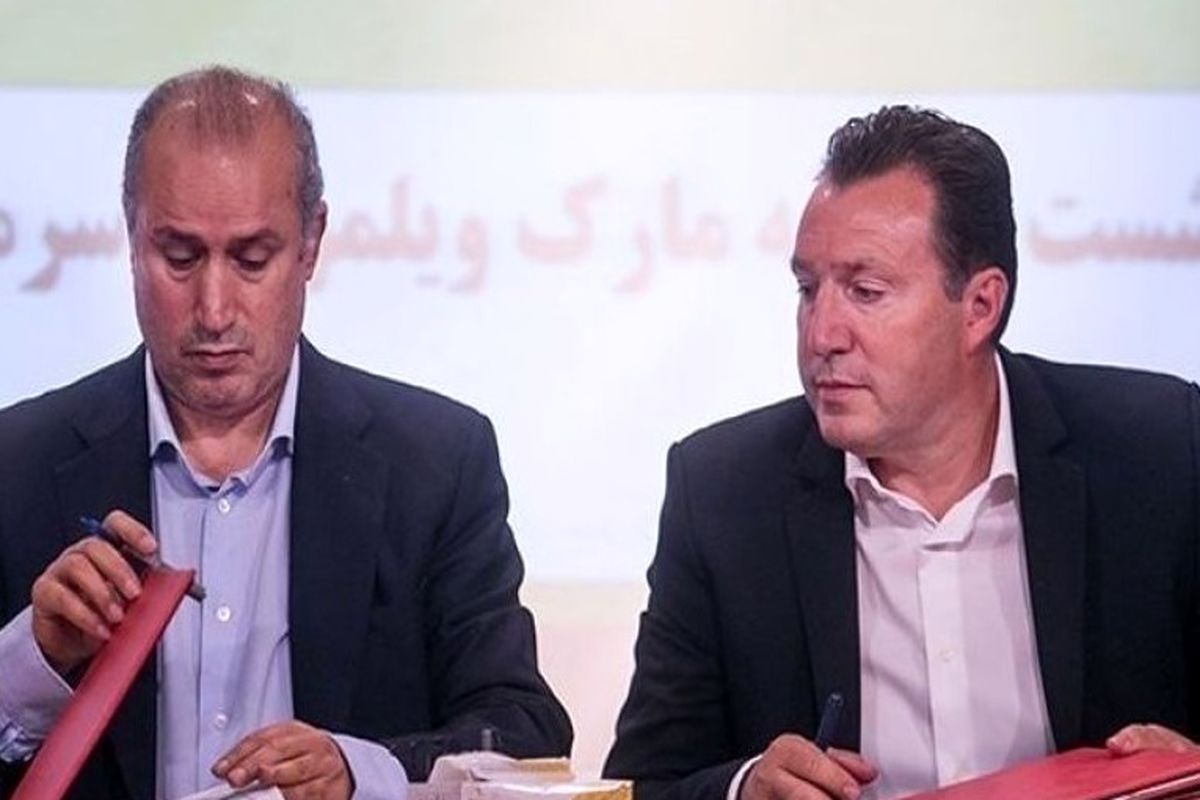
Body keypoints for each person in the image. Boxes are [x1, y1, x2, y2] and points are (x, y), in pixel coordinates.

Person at [0, 66, 571, 800]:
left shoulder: (436, 464)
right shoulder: (19, 463)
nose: (213, 310)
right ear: (131, 238)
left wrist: (359, 772)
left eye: (251, 259)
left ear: (311, 243)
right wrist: (36, 660)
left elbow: (524, 734)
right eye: (179, 257)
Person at [602, 105, 1200, 800]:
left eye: (866, 291)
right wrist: (744, 788)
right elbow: (646, 783)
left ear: (979, 307)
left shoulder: (1162, 454)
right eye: (807, 289)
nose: (822, 334)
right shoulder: (723, 494)